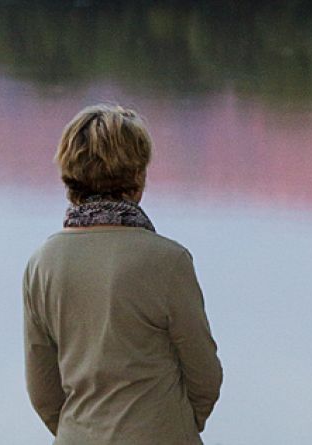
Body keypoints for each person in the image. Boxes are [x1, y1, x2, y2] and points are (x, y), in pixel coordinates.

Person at [23, 104, 223, 444]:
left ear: (69, 175)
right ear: (138, 177)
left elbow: (43, 389)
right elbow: (205, 376)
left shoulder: (42, 264)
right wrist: (175, 426)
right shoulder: (168, 261)